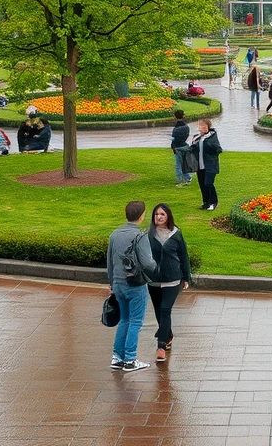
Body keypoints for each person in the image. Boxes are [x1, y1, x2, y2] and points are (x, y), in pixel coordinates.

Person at [106, 200, 160, 372]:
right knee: (136, 321)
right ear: (142, 216)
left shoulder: (115, 234)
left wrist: (112, 283)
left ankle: (117, 357)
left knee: (124, 320)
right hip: (136, 285)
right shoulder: (141, 236)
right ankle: (130, 359)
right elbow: (147, 263)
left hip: (118, 284)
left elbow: (109, 262)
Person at [146, 203, 191, 363]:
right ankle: (168, 334)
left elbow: (184, 256)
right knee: (158, 311)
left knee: (165, 309)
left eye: (162, 214)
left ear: (168, 217)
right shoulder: (148, 235)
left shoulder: (176, 234)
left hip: (173, 279)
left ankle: (161, 345)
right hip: (154, 280)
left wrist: (186, 277)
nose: (159, 217)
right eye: (156, 214)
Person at [190, 118, 222, 210]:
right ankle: (206, 202)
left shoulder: (212, 136)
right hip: (200, 165)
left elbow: (218, 149)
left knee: (208, 183)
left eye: (202, 126)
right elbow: (194, 150)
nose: (200, 127)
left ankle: (213, 202)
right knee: (202, 185)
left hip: (210, 165)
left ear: (207, 127)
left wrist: (208, 145)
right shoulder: (197, 137)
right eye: (199, 125)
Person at [170, 110, 192, 186]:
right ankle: (188, 178)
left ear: (175, 117)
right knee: (184, 163)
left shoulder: (175, 129)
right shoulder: (186, 127)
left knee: (178, 164)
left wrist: (173, 147)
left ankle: (179, 180)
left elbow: (174, 140)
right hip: (185, 146)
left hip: (178, 147)